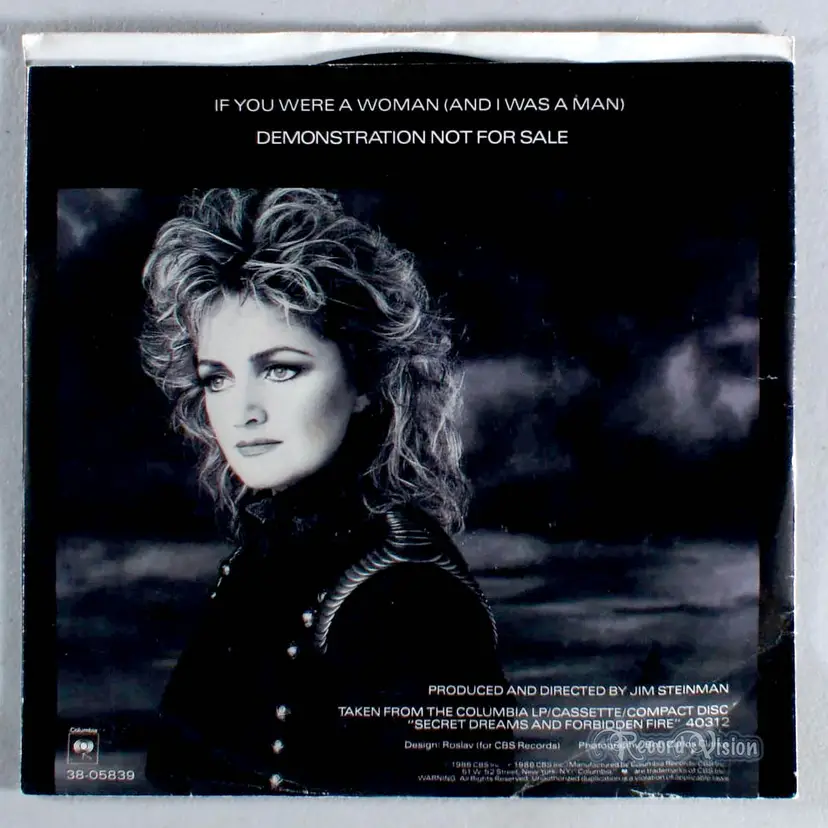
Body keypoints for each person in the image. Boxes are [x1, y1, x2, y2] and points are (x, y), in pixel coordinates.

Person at [139, 188, 513, 796]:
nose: (243, 411)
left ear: (365, 379)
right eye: (217, 379)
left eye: (280, 369)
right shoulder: (262, 559)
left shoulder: (407, 592)